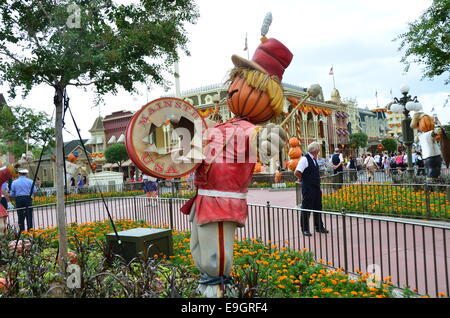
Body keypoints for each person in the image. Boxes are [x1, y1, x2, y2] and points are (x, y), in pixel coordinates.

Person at [294, 141, 328, 236]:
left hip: (316, 187)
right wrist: (303, 178)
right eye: (318, 149)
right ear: (316, 150)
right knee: (306, 208)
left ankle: (319, 226)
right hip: (308, 187)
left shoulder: (314, 159)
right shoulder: (305, 159)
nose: (319, 151)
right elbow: (297, 172)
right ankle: (305, 229)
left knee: (318, 207)